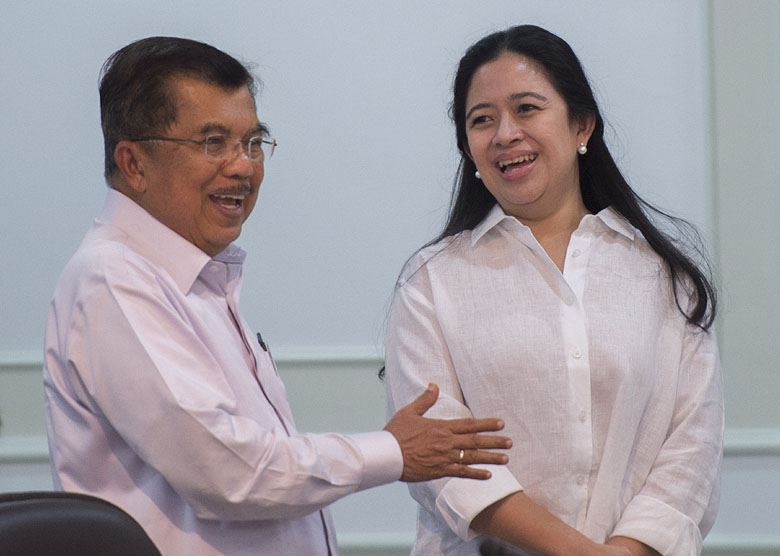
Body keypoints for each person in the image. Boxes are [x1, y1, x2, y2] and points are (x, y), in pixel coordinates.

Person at [42, 36, 513, 556]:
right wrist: (393, 452)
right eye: (212, 142)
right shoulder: (113, 281)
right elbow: (228, 472)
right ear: (133, 164)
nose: (243, 166)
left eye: (252, 142)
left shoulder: (197, 278)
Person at [383, 25, 723, 556]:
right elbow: (443, 459)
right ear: (468, 148)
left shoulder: (661, 275)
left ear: (581, 125)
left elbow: (690, 451)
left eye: (526, 108)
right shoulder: (432, 281)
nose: (504, 134)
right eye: (482, 120)